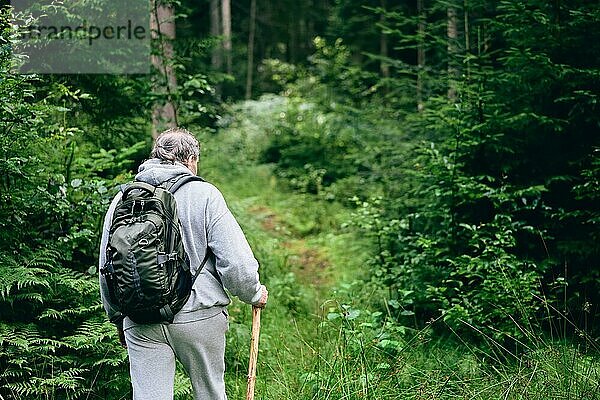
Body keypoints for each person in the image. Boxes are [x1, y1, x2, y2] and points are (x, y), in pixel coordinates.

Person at [98, 127, 268, 400]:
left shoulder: (123, 198)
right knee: (210, 394)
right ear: (190, 160)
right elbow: (236, 263)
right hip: (199, 316)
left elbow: (107, 267)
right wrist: (254, 293)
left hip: (140, 319)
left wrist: (117, 316)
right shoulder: (205, 194)